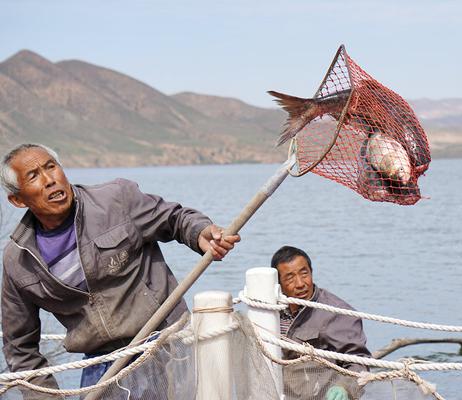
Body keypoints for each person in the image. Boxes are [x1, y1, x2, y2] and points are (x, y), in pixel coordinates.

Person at [0, 143, 240, 394]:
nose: (50, 180)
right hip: (101, 365)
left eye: (51, 167)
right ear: (17, 200)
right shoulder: (19, 260)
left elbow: (174, 218)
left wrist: (200, 232)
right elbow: (20, 348)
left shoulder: (115, 199)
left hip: (164, 345)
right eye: (34, 176)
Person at [271, 246, 371, 400]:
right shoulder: (269, 309)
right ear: (278, 284)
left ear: (311, 272)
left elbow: (359, 361)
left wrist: (344, 388)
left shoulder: (337, 313)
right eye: (290, 278)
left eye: (304, 273)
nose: (300, 283)